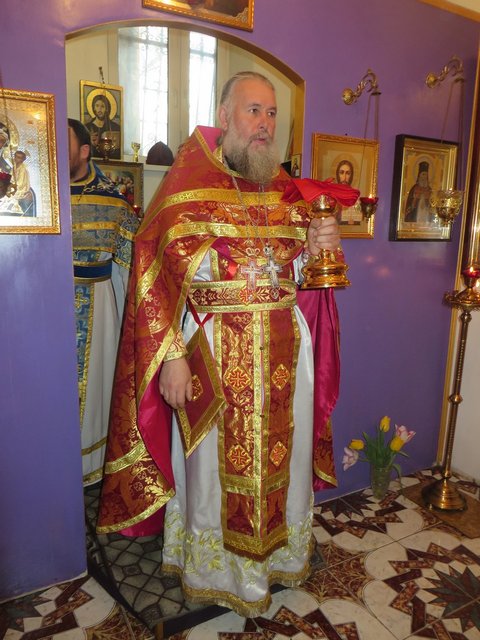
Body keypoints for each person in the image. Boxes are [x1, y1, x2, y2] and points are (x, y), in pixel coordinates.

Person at [97, 72, 342, 616]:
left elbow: (304, 275)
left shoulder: (284, 190)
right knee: (211, 473)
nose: (265, 124)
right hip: (212, 352)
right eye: (254, 111)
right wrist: (171, 356)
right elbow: (152, 275)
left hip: (285, 359)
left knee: (285, 462)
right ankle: (216, 570)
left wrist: (321, 245)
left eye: (272, 114)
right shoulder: (186, 186)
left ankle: (277, 560)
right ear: (225, 116)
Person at [68, 118, 139, 485]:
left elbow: (131, 267)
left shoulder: (113, 200)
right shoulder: (37, 196)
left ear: (84, 151)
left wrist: (132, 325)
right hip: (45, 308)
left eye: (65, 144)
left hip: (97, 305)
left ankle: (86, 469)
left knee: (95, 389)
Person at [85, 93, 121, 159]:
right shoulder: (87, 127)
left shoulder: (115, 127)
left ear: (107, 109)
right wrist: (90, 142)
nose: (99, 109)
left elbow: (117, 150)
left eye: (102, 106)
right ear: (94, 108)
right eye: (97, 106)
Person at [12, 150, 36, 216]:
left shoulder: (23, 169)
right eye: (15, 156)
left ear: (22, 159)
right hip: (15, 188)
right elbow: (11, 178)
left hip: (21, 190)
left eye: (19, 157)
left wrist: (10, 186)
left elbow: (20, 184)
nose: (16, 158)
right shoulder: (14, 167)